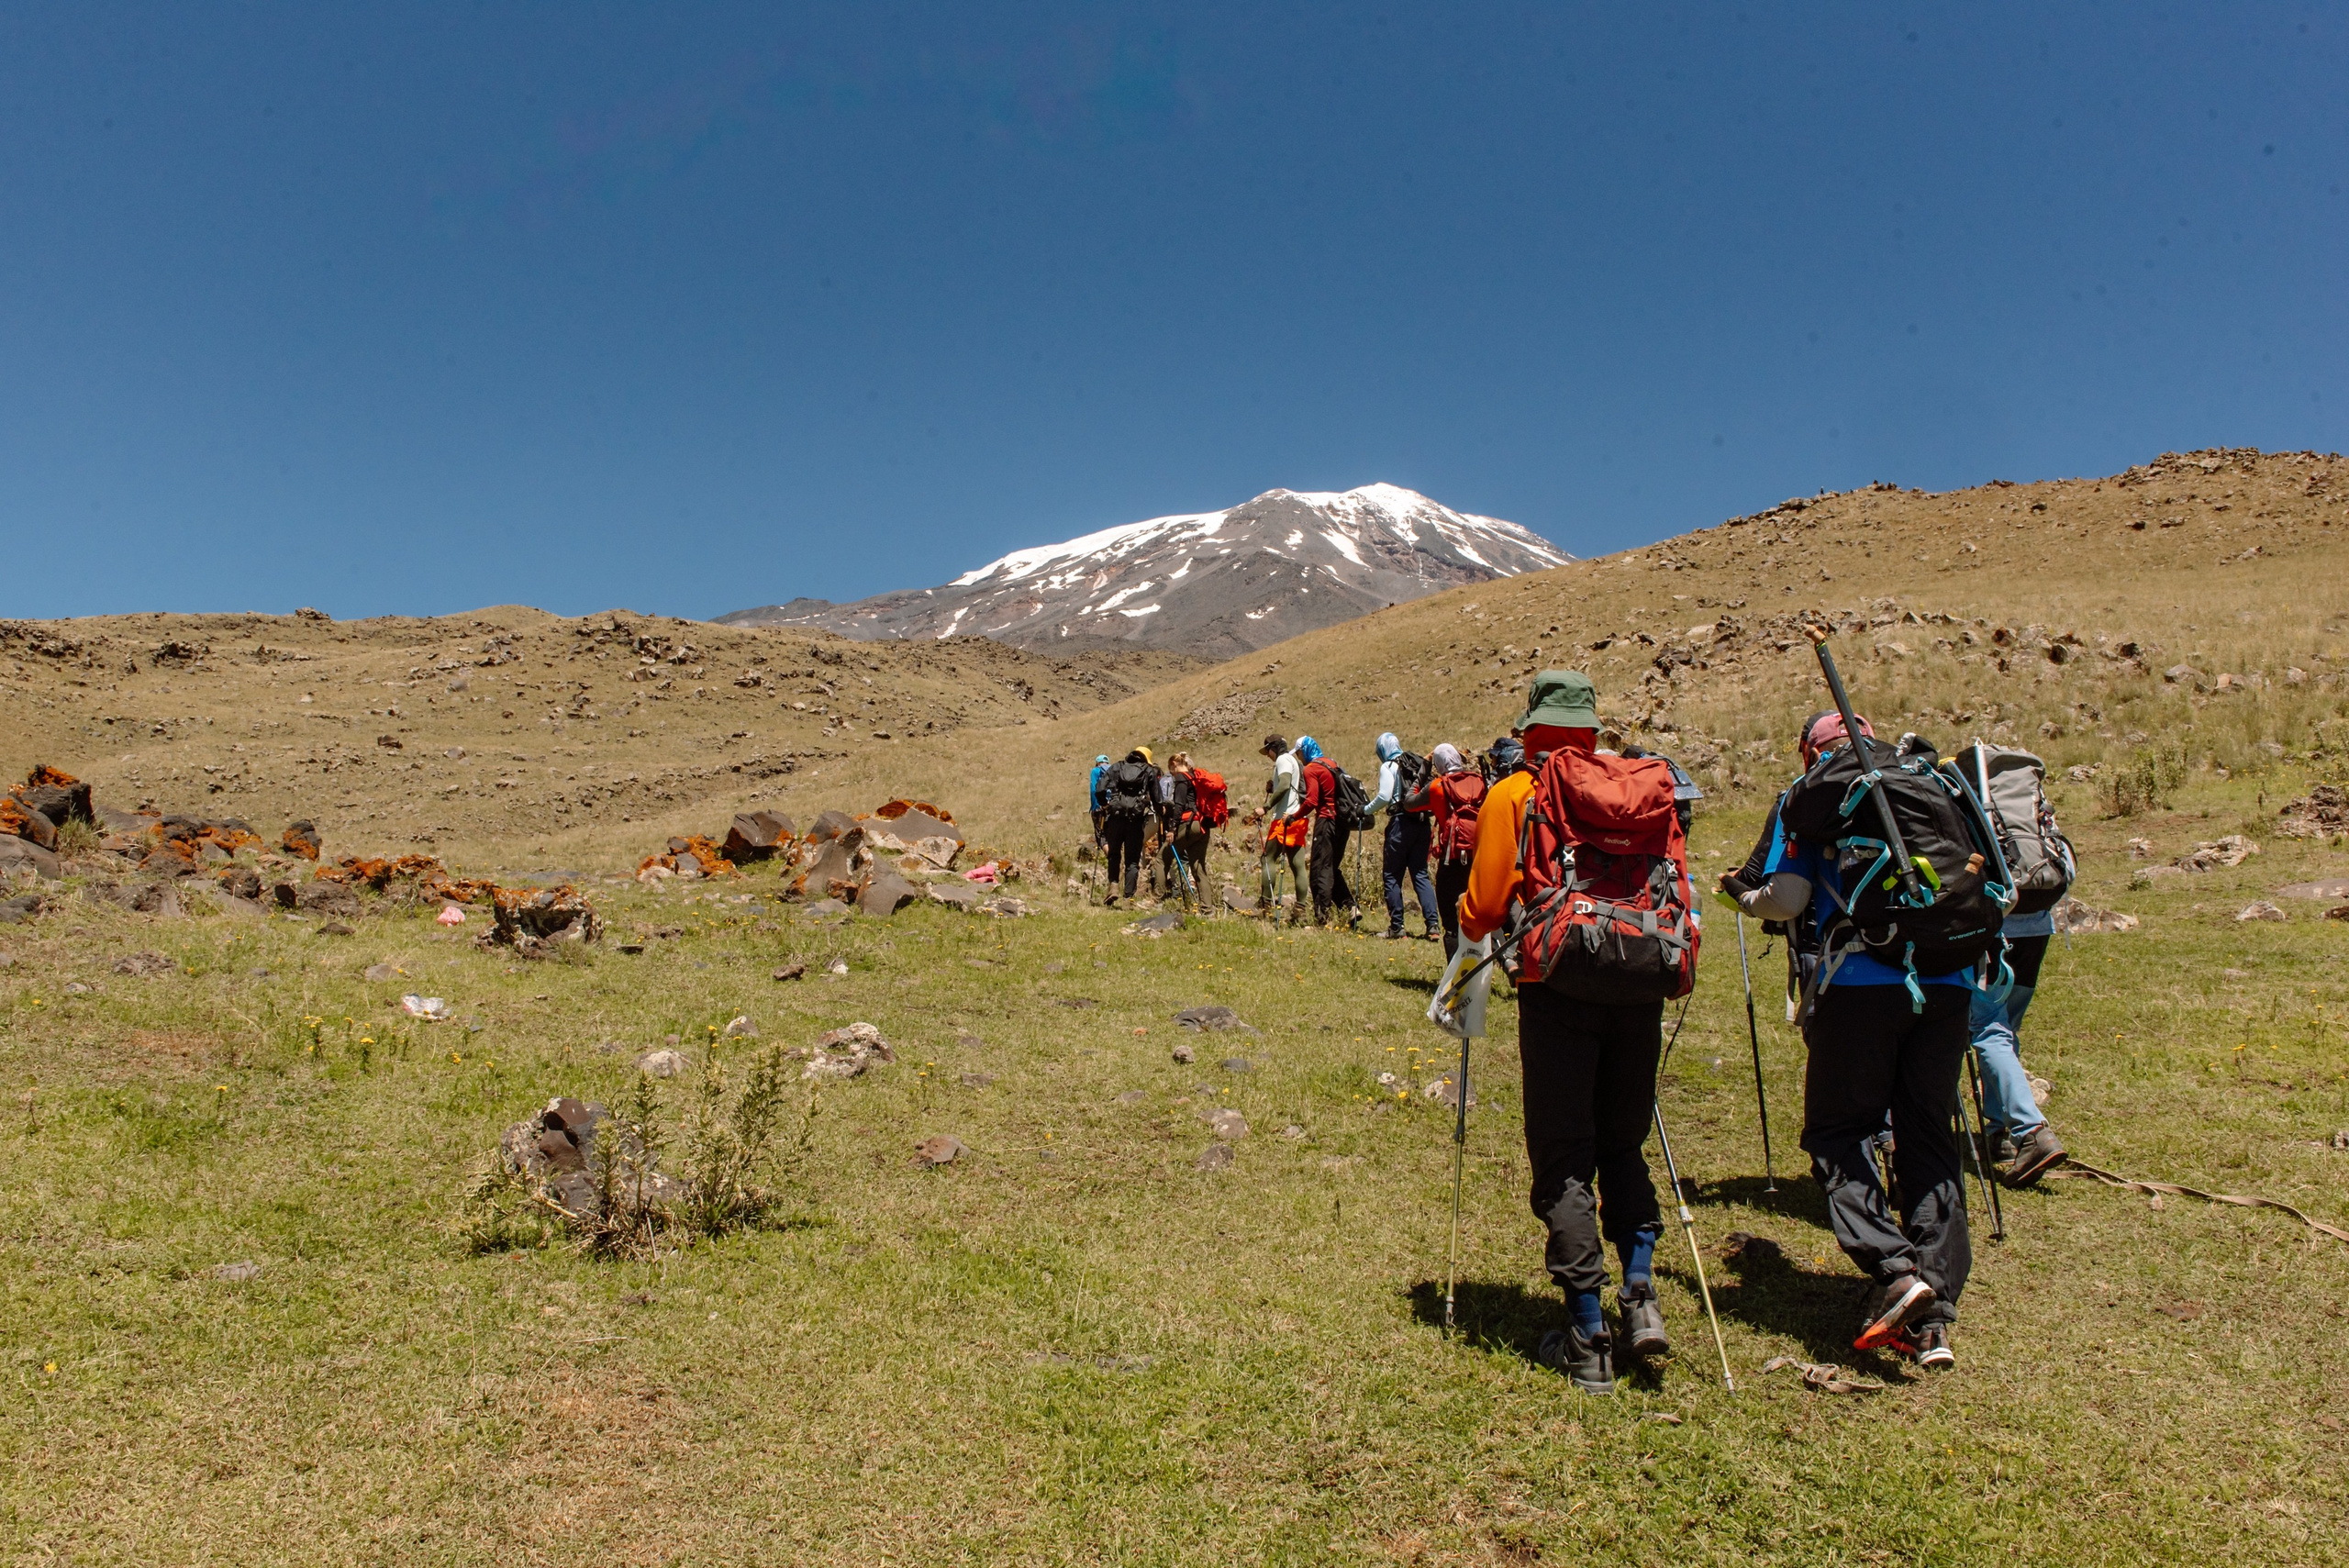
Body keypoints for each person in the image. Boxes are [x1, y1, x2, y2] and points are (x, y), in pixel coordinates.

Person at [1721, 710, 1971, 1371]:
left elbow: (1788, 898)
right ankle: (1935, 1312)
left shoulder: (1814, 795)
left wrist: (1743, 901)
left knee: (1838, 1130)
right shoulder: (1927, 780)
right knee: (1927, 1134)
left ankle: (1893, 1270)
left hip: (1860, 982)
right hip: (1950, 978)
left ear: (1810, 751)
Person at [1458, 672, 1670, 1396]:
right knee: (1623, 1141)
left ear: (1530, 729)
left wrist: (1466, 916)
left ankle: (1586, 1332)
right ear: (1589, 728)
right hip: (1641, 980)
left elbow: (1484, 907)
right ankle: (1640, 1289)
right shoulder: (1640, 786)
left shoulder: (1515, 793)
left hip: (1556, 987)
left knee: (1564, 1155)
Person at [1970, 906, 2067, 1184]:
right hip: (2035, 931)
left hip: (1991, 931)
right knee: (2005, 1030)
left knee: (1989, 1030)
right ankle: (2001, 1135)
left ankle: (2030, 1131)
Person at [1367, 732, 1439, 940]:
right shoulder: (1415, 763)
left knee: (1392, 875)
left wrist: (1365, 810)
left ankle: (1397, 927)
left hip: (1400, 823)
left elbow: (1384, 796)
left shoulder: (1389, 766)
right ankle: (1433, 926)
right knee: (1420, 874)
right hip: (1423, 823)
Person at [1426, 742, 1485, 958]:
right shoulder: (1477, 781)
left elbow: (1410, 802)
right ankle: (1485, 959)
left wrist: (1423, 765)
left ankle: (1455, 967)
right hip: (1477, 854)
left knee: (1450, 914)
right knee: (1474, 908)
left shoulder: (1438, 786)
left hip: (1452, 857)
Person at [1297, 736, 1359, 929]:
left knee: (1319, 869)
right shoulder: (1332, 763)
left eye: (1299, 753)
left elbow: (1312, 801)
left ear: (1305, 750)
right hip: (1342, 822)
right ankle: (1350, 907)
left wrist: (1294, 816)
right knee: (1332, 867)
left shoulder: (1311, 769)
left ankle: (1322, 918)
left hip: (1326, 821)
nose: (1299, 758)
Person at [1254, 733, 1307, 923]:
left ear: (1272, 748)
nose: (1268, 755)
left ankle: (1266, 905)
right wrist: (1272, 786)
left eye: (1267, 751)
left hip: (1283, 817)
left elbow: (1285, 784)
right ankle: (1301, 910)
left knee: (1268, 858)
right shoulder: (1294, 761)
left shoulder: (1283, 760)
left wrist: (1266, 808)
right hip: (1298, 817)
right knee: (1297, 864)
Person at [1097, 747, 1159, 906]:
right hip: (1136, 820)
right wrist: (1162, 814)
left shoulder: (1117, 767)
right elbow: (1157, 798)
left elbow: (1100, 789)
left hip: (1116, 818)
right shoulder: (1149, 771)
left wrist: (1105, 805)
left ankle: (1114, 886)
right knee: (1132, 861)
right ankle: (1128, 898)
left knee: (1114, 854)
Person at [1159, 751, 1211, 907]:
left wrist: (1172, 829)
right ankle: (1207, 908)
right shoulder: (1194, 777)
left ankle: (1156, 899)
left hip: (1189, 824)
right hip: (1202, 825)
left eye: (1171, 769)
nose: (1171, 773)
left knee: (1162, 858)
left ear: (1174, 764)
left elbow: (1179, 805)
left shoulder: (1181, 778)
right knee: (1198, 867)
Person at [1086, 754, 1111, 846]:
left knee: (1101, 836)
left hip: (1099, 806)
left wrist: (1096, 806)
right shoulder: (1113, 771)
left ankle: (1110, 857)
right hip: (1112, 806)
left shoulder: (1095, 771)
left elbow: (1094, 789)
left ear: (1097, 762)